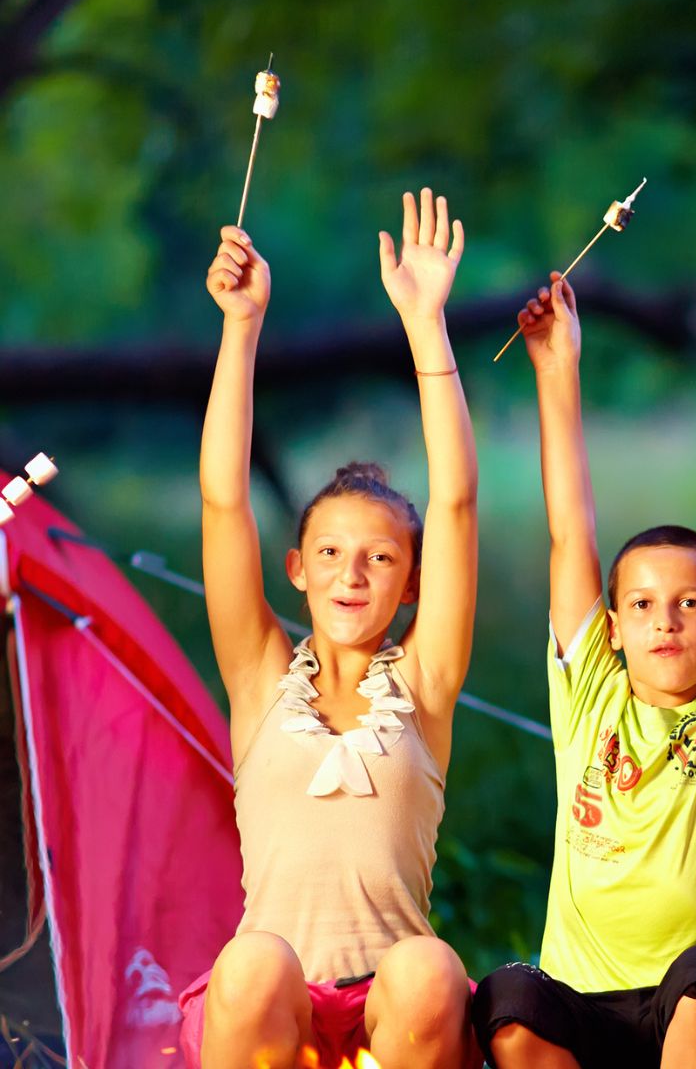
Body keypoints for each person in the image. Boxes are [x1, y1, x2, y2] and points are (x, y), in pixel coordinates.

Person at [467, 275, 696, 1069]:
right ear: (612, 626)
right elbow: (569, 533)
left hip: (691, 1012)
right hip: (583, 1007)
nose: (665, 619)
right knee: (510, 999)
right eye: (644, 605)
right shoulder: (588, 692)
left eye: (690, 604)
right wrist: (558, 371)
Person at [183, 190, 479, 1069]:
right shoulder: (259, 673)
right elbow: (223, 498)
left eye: (381, 559)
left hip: (393, 1012)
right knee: (255, 962)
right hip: (274, 1009)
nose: (353, 574)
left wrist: (426, 321)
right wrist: (241, 328)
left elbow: (457, 503)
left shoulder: (425, 683)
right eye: (333, 553)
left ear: (411, 581)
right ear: (297, 569)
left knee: (428, 966)